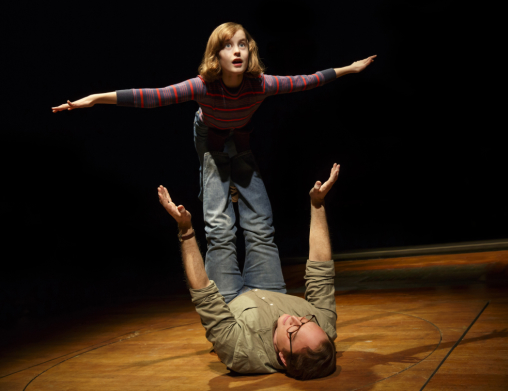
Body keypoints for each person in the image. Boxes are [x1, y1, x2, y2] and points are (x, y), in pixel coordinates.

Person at [51, 22, 374, 304]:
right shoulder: (202, 86)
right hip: (209, 135)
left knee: (259, 221)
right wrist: (96, 98)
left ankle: (270, 293)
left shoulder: (261, 84)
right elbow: (153, 96)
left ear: (250, 52)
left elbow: (309, 79)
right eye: (227, 46)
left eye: (242, 44)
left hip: (241, 136)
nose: (236, 51)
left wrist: (350, 68)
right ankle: (228, 286)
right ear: (215, 55)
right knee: (220, 222)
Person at [158, 163, 341, 380]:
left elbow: (204, 293)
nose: (293, 319)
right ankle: (243, 152)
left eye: (294, 331)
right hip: (271, 289)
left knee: (220, 234)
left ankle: (212, 154)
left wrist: (186, 230)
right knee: (261, 230)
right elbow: (320, 271)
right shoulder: (323, 329)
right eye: (305, 320)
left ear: (283, 358)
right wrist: (317, 203)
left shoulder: (241, 351)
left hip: (228, 302)